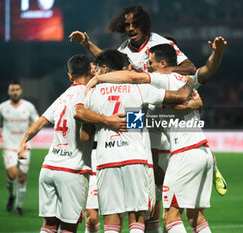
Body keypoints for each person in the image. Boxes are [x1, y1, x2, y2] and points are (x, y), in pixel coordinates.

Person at [85, 36, 227, 233]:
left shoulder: (161, 80)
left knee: (170, 219)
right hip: (203, 153)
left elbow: (133, 77)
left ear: (162, 63)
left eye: (150, 64)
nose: (148, 68)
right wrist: (217, 53)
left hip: (182, 153)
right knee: (196, 219)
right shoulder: (187, 80)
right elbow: (206, 71)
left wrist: (99, 78)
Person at [18, 54, 95, 233]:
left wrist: (23, 142)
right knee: (69, 226)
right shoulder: (89, 95)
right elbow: (85, 136)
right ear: (91, 71)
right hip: (72, 171)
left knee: (49, 225)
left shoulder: (62, 97)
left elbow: (39, 123)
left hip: (49, 168)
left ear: (69, 76)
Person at [69, 4, 196, 75]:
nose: (131, 28)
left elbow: (190, 68)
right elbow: (107, 60)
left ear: (143, 24)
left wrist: (165, 71)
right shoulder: (123, 49)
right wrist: (87, 44)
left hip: (162, 105)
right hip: (137, 103)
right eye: (127, 25)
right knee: (129, 122)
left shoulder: (162, 43)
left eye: (135, 24)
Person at [0, 81, 39, 215]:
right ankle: (11, 195)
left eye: (17, 89)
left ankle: (19, 206)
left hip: (24, 146)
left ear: (21, 91)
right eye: (12, 90)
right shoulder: (2, 107)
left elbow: (37, 121)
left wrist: (33, 125)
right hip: (9, 145)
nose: (15, 92)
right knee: (12, 174)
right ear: (9, 92)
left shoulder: (29, 106)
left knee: (21, 178)